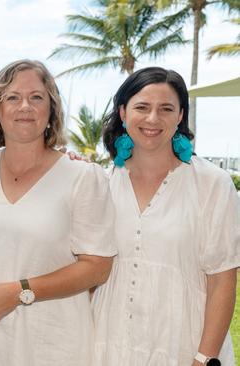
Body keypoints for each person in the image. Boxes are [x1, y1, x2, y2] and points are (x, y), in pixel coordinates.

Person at [0, 59, 117, 365]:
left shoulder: (82, 177)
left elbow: (97, 266)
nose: (25, 106)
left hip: (49, 343)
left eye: (36, 97)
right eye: (12, 97)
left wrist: (20, 291)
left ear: (51, 111)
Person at [92, 67, 240, 366]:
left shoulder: (211, 183)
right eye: (142, 107)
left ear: (181, 115)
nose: (152, 119)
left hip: (182, 346)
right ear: (123, 112)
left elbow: (223, 278)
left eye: (166, 109)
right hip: (106, 345)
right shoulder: (101, 183)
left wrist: (204, 357)